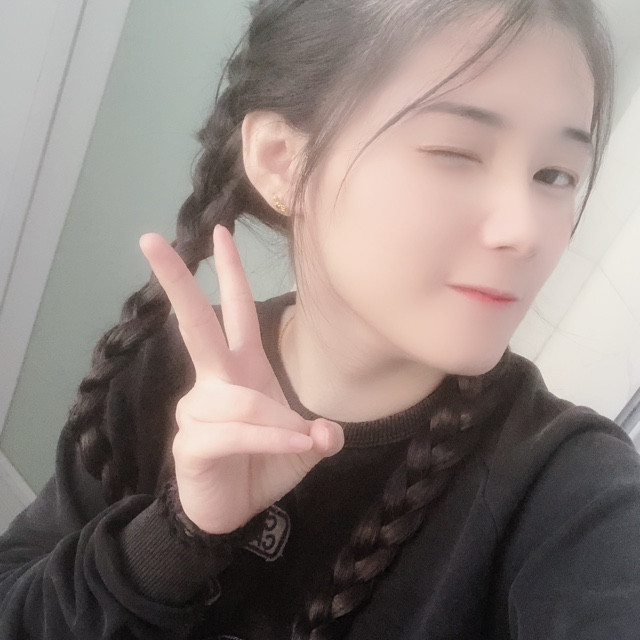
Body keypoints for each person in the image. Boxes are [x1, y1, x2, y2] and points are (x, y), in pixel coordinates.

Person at [1, 0, 639, 638]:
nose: (526, 231)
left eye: (555, 175)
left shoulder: (568, 489)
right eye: (456, 152)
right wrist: (174, 539)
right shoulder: (160, 368)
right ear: (282, 161)